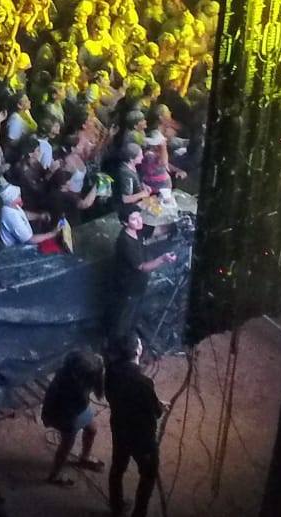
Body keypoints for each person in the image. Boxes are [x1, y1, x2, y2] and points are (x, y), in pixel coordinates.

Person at [104, 334, 162, 517]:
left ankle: (117, 507)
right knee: (148, 473)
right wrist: (158, 405)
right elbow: (157, 412)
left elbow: (114, 396)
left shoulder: (111, 371)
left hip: (120, 428)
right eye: (139, 344)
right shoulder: (144, 383)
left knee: (117, 467)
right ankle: (139, 513)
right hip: (141, 437)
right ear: (137, 351)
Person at [41, 349, 105, 487]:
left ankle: (84, 457)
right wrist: (47, 417)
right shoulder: (70, 387)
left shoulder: (70, 374)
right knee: (66, 445)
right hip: (65, 415)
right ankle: (54, 475)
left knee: (92, 429)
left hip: (75, 412)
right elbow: (51, 400)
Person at [111, 207, 176, 343]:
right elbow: (143, 267)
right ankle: (119, 346)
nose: (139, 221)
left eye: (139, 217)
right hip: (128, 288)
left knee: (133, 316)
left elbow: (157, 231)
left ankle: (130, 339)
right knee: (123, 321)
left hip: (139, 285)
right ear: (125, 223)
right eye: (134, 219)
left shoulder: (138, 230)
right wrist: (162, 259)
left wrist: (175, 225)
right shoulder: (125, 242)